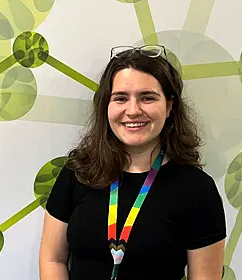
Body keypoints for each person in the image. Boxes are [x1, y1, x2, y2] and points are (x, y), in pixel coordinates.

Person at [39, 45, 226, 280]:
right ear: (107, 106)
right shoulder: (77, 173)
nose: (133, 110)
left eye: (147, 98)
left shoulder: (197, 189)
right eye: (121, 98)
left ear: (169, 106)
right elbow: (52, 259)